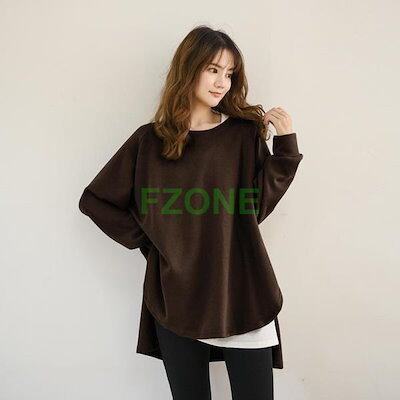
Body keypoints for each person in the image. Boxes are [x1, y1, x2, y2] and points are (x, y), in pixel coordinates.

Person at [79, 25, 303, 400]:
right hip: (177, 298)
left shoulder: (242, 135)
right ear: (189, 68)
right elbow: (95, 201)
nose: (222, 82)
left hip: (241, 291)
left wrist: (286, 147)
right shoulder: (149, 141)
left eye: (229, 73)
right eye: (213, 69)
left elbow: (255, 208)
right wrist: (153, 241)